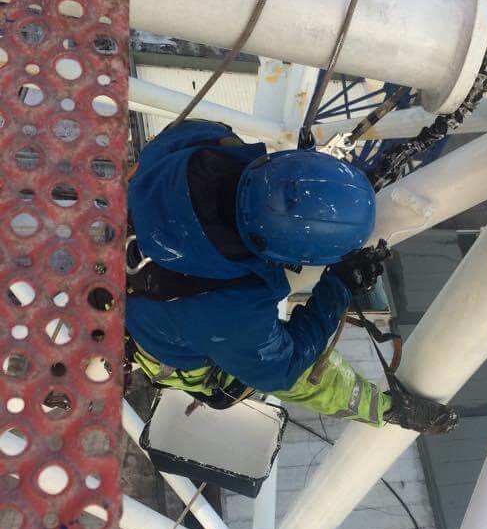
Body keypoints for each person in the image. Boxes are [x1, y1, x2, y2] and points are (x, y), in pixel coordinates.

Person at [124, 120, 456, 434]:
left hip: (131, 242)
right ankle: (385, 409)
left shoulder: (201, 143)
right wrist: (337, 288)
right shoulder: (232, 313)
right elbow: (280, 369)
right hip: (158, 340)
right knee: (302, 373)